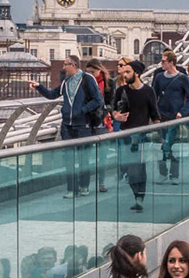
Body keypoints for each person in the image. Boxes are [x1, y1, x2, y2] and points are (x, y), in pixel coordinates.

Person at [38, 55, 106, 195]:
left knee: (83, 158)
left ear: (73, 65)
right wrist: (39, 87)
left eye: (65, 64)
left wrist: (82, 111)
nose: (63, 67)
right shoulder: (66, 82)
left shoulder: (87, 79)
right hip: (67, 125)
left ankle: (84, 187)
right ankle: (71, 189)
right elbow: (52, 95)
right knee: (68, 159)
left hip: (83, 125)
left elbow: (98, 100)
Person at [111, 60, 157, 212]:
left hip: (141, 137)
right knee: (129, 170)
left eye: (128, 72)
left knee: (138, 168)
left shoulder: (148, 91)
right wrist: (116, 116)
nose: (124, 75)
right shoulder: (121, 91)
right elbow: (113, 110)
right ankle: (136, 195)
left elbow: (155, 114)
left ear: (136, 73)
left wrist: (158, 130)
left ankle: (139, 198)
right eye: (123, 72)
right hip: (125, 135)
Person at [150, 50, 189, 185]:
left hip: (175, 116)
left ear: (171, 63)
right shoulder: (159, 77)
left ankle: (172, 174)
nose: (161, 63)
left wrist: (182, 112)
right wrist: (154, 112)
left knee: (170, 144)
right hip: (162, 116)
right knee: (164, 144)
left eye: (163, 61)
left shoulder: (183, 78)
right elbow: (153, 95)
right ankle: (165, 174)